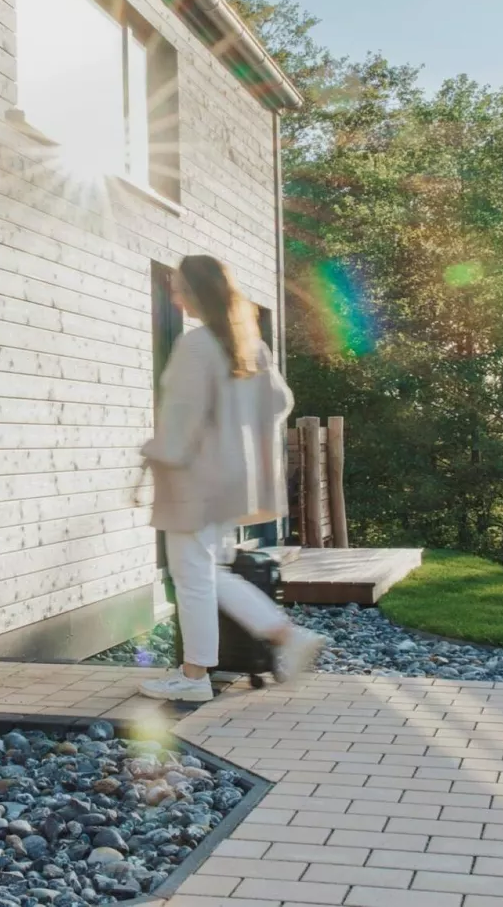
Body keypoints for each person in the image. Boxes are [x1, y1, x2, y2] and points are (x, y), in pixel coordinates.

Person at [137, 255, 326, 703]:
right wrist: (238, 431)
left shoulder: (197, 345)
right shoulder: (249, 347)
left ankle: (195, 676)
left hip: (194, 479)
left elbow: (181, 420)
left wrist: (153, 451)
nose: (175, 296)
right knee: (207, 572)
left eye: (181, 288)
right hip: (231, 481)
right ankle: (284, 636)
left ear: (200, 292)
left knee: (192, 577)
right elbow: (281, 402)